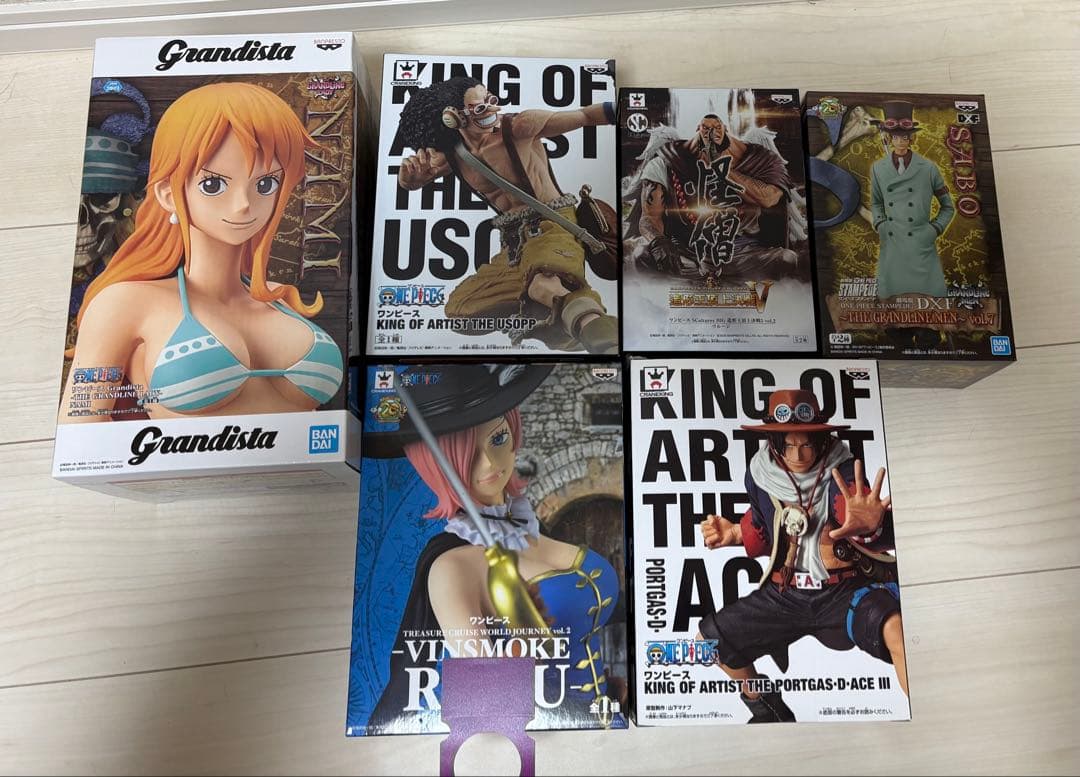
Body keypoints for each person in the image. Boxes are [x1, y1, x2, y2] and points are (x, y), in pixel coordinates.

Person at [60, 82, 343, 422]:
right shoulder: (125, 302)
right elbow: (81, 432)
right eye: (213, 184)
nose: (243, 204)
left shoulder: (280, 300)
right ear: (167, 194)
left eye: (265, 184)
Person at [363, 364, 623, 730]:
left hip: (611, 721)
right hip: (555, 735)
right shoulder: (454, 567)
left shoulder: (530, 529)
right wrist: (522, 644)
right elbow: (488, 700)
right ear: (436, 464)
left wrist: (610, 686)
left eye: (498, 438)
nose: (489, 462)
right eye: (466, 453)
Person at [697, 389, 907, 723]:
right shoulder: (760, 475)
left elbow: (869, 523)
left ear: (821, 440)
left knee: (895, 628)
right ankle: (768, 710)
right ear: (775, 442)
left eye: (807, 444)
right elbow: (765, 527)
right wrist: (734, 533)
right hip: (786, 593)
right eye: (790, 444)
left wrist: (871, 525)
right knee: (709, 640)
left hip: (844, 591)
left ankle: (928, 712)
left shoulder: (843, 471)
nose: (798, 454)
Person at [395, 76, 618, 354]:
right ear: (452, 119)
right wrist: (410, 179)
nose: (493, 109)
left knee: (543, 283)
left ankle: (604, 339)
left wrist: (629, 111)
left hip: (551, 224)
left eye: (491, 99)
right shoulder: (453, 155)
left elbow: (586, 115)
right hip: (512, 243)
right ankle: (555, 315)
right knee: (462, 310)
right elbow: (415, 181)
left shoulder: (520, 127)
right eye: (480, 107)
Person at [627, 114, 801, 280]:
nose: (711, 135)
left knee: (786, 259)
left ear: (726, 131)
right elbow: (649, 218)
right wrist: (658, 242)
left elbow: (769, 198)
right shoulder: (666, 162)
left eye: (717, 128)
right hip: (685, 252)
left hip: (740, 252)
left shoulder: (758, 160)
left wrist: (723, 169)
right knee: (642, 255)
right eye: (706, 129)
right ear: (698, 130)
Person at [870, 100, 956, 300]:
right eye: (896, 137)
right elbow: (876, 202)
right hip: (892, 242)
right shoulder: (878, 168)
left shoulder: (929, 168)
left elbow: (948, 207)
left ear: (911, 138)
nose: (900, 141)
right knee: (891, 306)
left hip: (921, 244)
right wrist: (881, 224)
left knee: (929, 306)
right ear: (890, 138)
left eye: (905, 137)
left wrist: (933, 230)